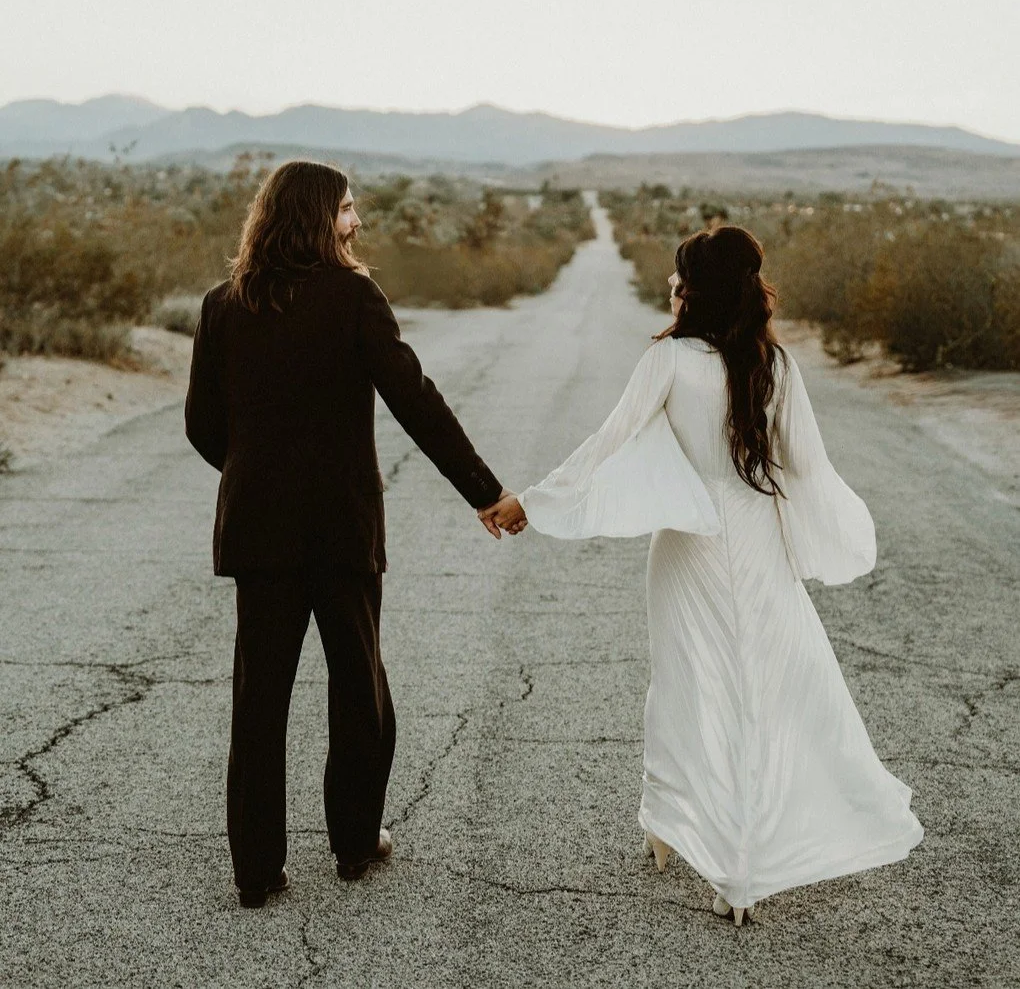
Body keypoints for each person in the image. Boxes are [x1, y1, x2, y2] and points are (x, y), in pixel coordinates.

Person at [488, 225, 923, 925]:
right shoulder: (775, 365)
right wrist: (835, 535)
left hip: (689, 546)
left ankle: (678, 827)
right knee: (759, 692)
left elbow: (607, 442)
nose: (672, 284)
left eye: (681, 275)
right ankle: (728, 857)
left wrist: (532, 503)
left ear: (696, 289)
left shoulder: (669, 359)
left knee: (686, 686)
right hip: (757, 543)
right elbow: (808, 469)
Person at [185, 160, 511, 907]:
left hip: (259, 531)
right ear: (315, 217)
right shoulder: (355, 297)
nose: (357, 221)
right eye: (346, 209)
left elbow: (203, 426)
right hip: (340, 528)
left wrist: (257, 474)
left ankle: (256, 871)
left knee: (258, 700)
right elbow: (415, 401)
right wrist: (486, 493)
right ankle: (356, 844)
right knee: (358, 685)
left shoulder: (223, 304)